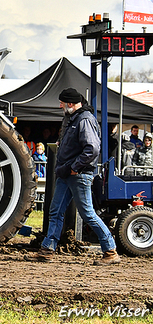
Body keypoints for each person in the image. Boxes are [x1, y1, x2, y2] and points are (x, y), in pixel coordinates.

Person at [34, 88, 120, 265]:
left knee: (87, 213)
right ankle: (47, 250)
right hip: (68, 173)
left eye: (62, 103)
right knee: (55, 211)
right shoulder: (73, 118)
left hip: (78, 174)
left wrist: (74, 168)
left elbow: (92, 148)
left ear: (70, 104)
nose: (60, 106)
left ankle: (110, 250)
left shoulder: (84, 120)